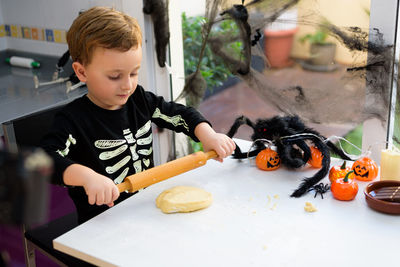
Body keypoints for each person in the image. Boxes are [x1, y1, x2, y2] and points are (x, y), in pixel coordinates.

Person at [41, 6, 235, 223]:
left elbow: (181, 114)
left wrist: (208, 135)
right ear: (82, 72)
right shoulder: (73, 120)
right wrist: (86, 177)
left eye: (134, 73)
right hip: (102, 224)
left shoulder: (139, 100)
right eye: (115, 76)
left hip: (148, 210)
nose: (128, 85)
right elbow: (46, 160)